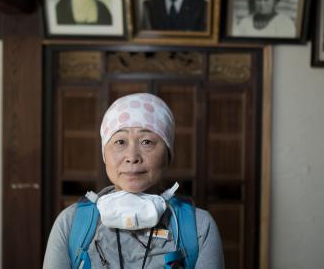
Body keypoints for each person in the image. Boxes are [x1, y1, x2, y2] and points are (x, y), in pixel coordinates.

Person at [43, 93, 225, 269]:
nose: (132, 156)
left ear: (168, 154)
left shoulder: (199, 227)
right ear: (104, 155)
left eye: (146, 142)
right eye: (120, 142)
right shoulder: (71, 223)